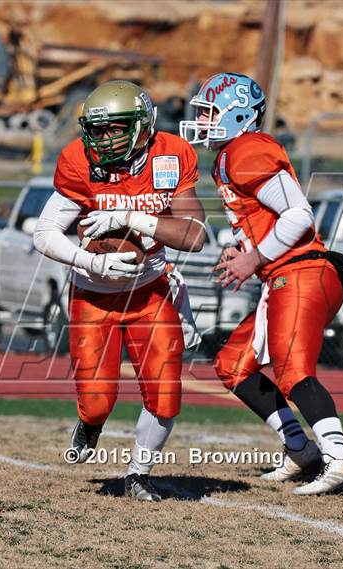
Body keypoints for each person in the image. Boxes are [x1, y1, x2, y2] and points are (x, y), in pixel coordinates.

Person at [180, 72, 343, 495]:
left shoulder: (248, 149)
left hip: (300, 271)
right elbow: (261, 220)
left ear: (238, 115)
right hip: (282, 274)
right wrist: (241, 247)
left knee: (292, 370)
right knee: (232, 364)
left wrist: (254, 257)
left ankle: (339, 456)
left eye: (210, 113)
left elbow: (299, 215)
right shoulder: (228, 158)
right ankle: (303, 451)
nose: (203, 121)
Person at [34, 80, 205, 501]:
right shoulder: (78, 158)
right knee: (96, 402)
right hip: (93, 294)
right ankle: (90, 424)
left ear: (144, 125)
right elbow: (44, 232)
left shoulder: (171, 154)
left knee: (165, 394)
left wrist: (131, 216)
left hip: (150, 291)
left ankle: (138, 475)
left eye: (115, 128)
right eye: (97, 129)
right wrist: (91, 261)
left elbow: (196, 234)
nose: (103, 138)